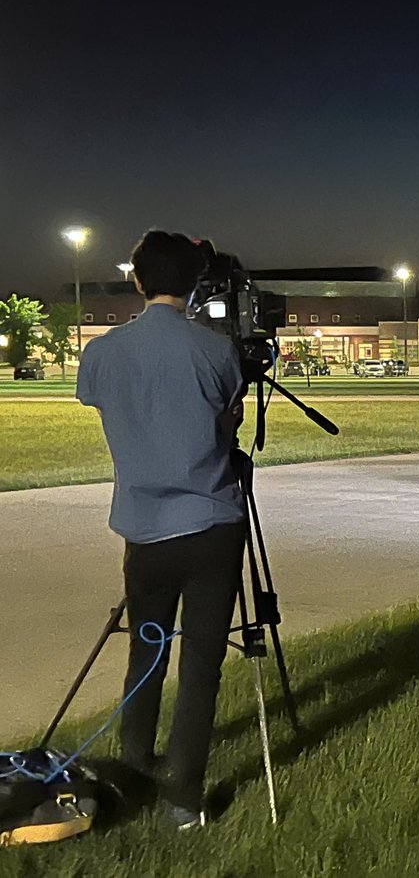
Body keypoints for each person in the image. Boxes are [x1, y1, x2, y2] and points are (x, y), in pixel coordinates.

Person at [76, 230, 246, 831]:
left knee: (145, 647)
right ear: (195, 283)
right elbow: (226, 418)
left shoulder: (102, 352)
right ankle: (182, 800)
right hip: (212, 527)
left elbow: (107, 403)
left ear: (137, 279)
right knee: (201, 662)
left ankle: (131, 764)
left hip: (143, 529)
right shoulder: (217, 349)